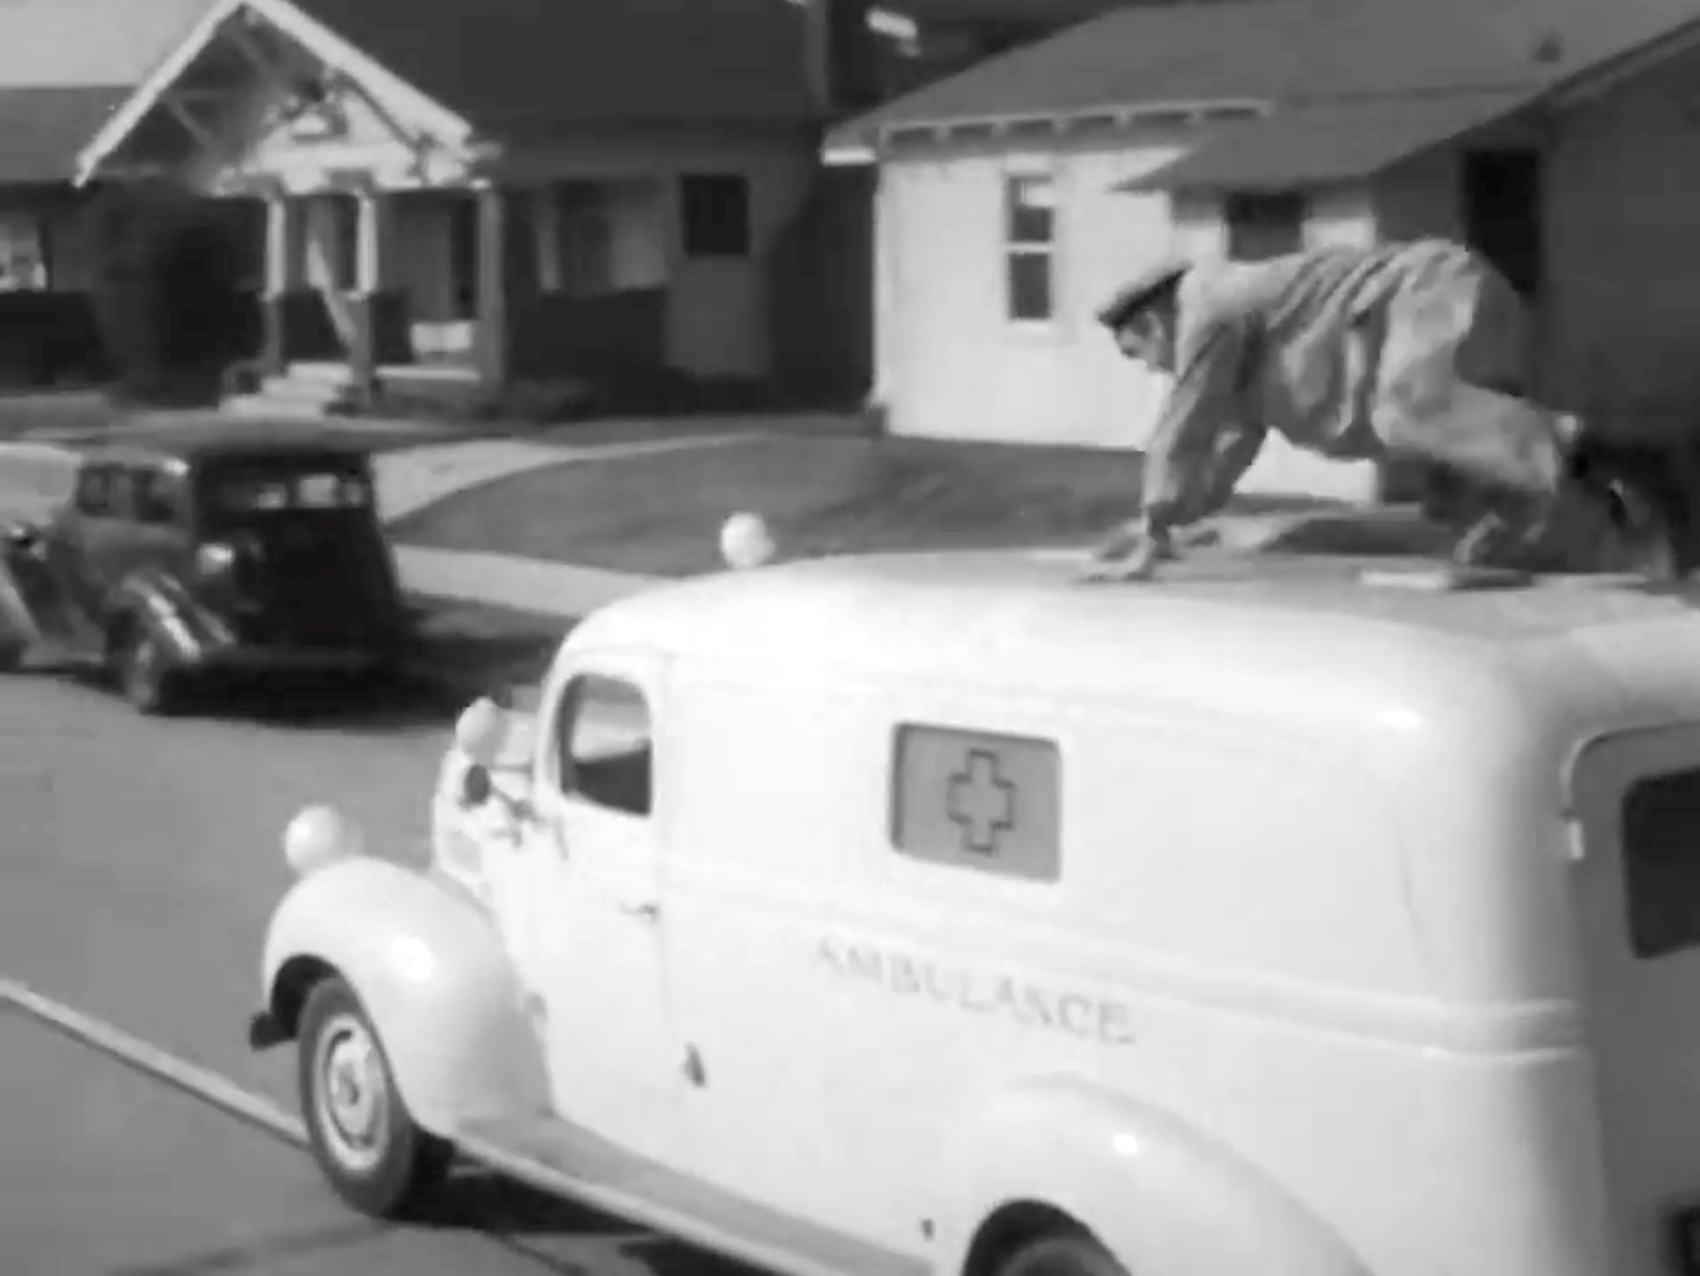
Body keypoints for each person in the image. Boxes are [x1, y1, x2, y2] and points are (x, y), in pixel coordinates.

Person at [1085, 239, 1674, 580]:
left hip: (1426, 292)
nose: (1152, 368)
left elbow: (1185, 423)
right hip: (1419, 315)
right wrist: (1178, 523)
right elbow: (1224, 450)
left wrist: (1153, 529)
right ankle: (1634, 536)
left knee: (1409, 411)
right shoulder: (1239, 359)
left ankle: (1619, 461)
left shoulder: (1208, 307)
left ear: (1152, 322)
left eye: (1140, 352)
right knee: (1473, 521)